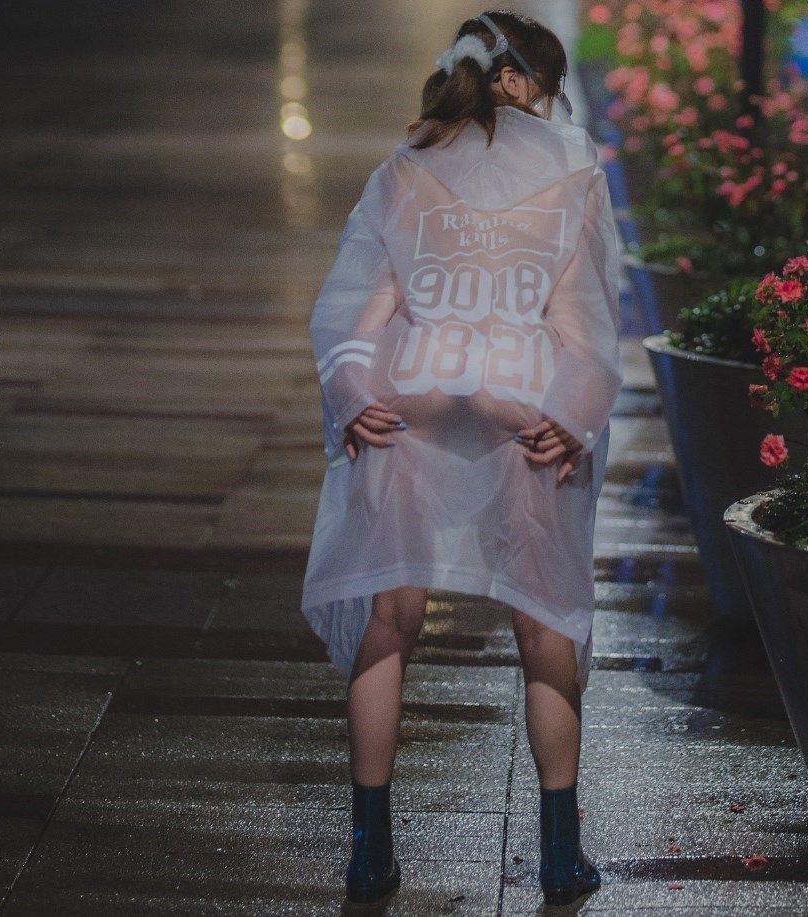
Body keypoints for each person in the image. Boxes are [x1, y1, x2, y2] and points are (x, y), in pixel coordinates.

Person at [299, 10, 622, 907]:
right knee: (544, 626)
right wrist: (575, 413)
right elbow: (585, 320)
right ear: (524, 83)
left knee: (388, 618)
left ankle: (369, 851)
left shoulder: (407, 166)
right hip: (523, 396)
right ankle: (559, 854)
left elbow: (356, 304)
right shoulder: (571, 173)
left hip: (412, 388)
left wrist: (352, 391)